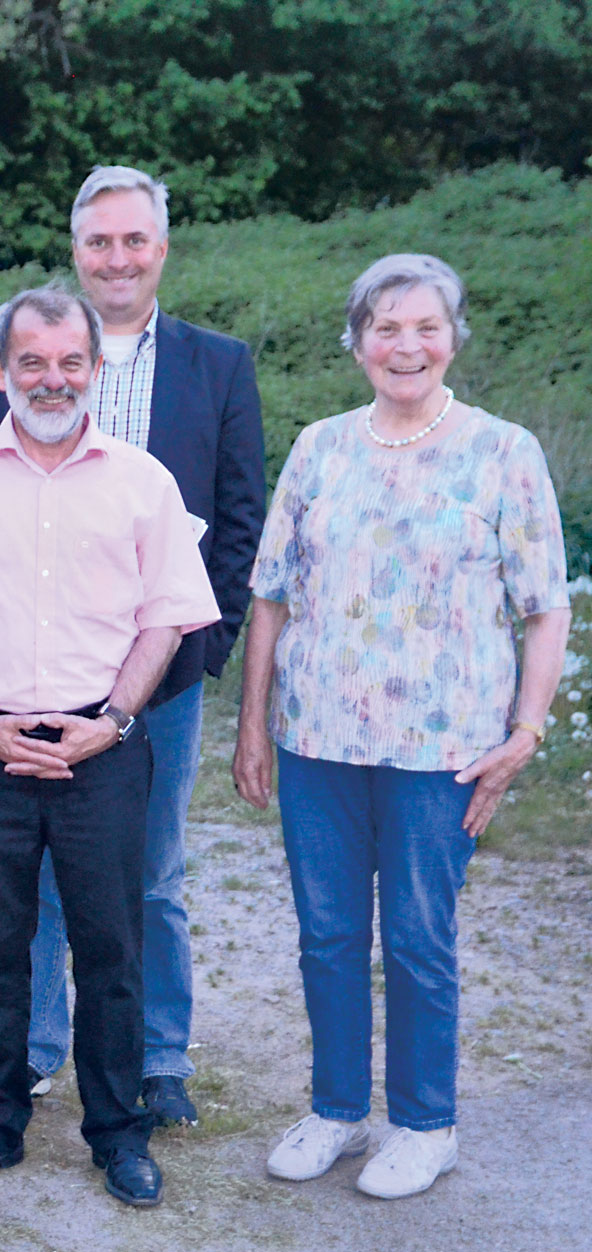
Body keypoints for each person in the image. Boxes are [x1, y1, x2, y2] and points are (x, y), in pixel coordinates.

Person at [234, 254, 569, 1200]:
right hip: (317, 741)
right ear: (358, 343)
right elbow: (271, 597)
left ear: (454, 338)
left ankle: (427, 1125)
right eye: (386, 327)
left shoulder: (504, 452)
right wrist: (253, 725)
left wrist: (526, 732)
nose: (406, 345)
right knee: (328, 935)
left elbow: (545, 607)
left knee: (419, 940)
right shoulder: (319, 448)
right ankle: (337, 1110)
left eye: (426, 326)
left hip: (443, 752)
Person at [0, 286, 219, 1208]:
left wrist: (111, 721)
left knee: (112, 948)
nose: (52, 378)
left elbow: (168, 617)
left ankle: (117, 1132)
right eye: (30, 361)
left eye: (71, 361)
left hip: (101, 748)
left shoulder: (144, 482)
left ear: (96, 370)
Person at [0, 165, 266, 1125]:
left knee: (151, 871)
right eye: (99, 241)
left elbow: (239, 522)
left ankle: (157, 1055)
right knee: (43, 867)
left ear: (162, 249)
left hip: (163, 673)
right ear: (76, 251)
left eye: (134, 239)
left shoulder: (218, 365)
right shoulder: (29, 356)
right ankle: (40, 1045)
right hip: (39, 670)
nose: (118, 257)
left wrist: (202, 650)